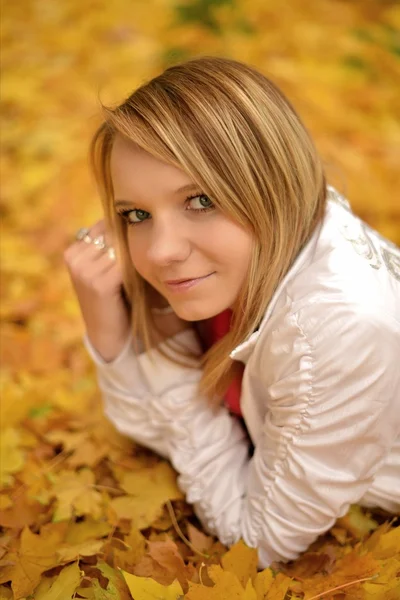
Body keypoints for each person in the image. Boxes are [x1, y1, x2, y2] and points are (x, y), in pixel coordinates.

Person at [64, 56, 400, 569]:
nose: (159, 252)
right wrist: (113, 336)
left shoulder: (336, 330)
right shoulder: (248, 257)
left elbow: (255, 544)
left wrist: (155, 356)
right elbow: (146, 430)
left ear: (268, 182)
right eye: (136, 214)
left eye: (200, 200)